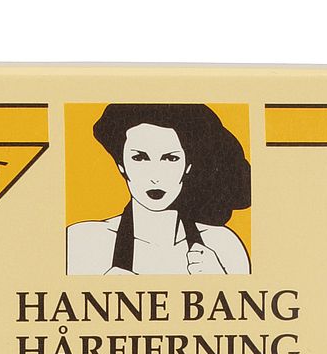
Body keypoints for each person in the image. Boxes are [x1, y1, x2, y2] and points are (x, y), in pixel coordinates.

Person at [67, 104, 252, 276]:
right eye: (140, 158)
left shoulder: (223, 246)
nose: (155, 176)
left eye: (170, 159)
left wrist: (220, 281)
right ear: (121, 165)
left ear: (188, 166)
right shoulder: (82, 242)